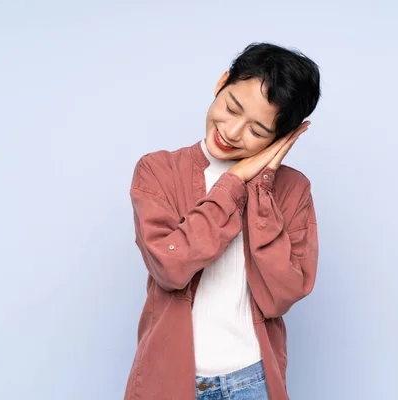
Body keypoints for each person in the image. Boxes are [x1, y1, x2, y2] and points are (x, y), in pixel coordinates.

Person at [124, 42, 321, 400]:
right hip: (168, 381)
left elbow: (282, 295)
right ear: (222, 82)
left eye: (257, 131)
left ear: (281, 137)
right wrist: (234, 181)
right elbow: (170, 266)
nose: (231, 132)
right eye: (231, 108)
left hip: (253, 382)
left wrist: (259, 186)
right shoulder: (158, 172)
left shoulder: (292, 189)